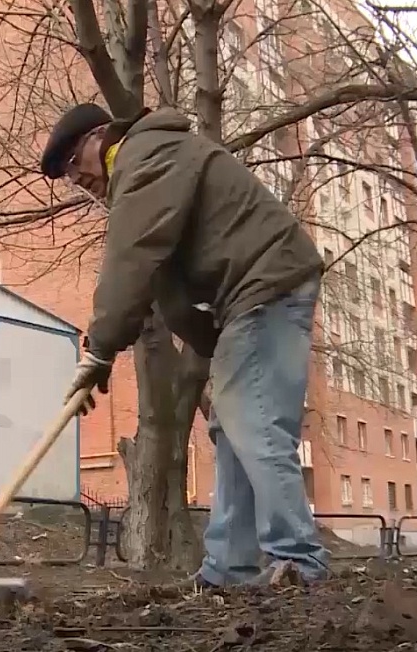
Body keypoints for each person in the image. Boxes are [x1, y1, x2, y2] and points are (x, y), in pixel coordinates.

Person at [41, 103, 331, 587]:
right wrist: (104, 355)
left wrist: (99, 350)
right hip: (254, 294)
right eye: (68, 176)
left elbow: (129, 260)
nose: (77, 180)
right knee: (234, 428)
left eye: (74, 163)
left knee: (255, 425)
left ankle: (299, 560)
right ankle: (228, 569)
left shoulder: (146, 155)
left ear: (103, 136)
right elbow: (164, 294)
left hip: (265, 284)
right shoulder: (152, 176)